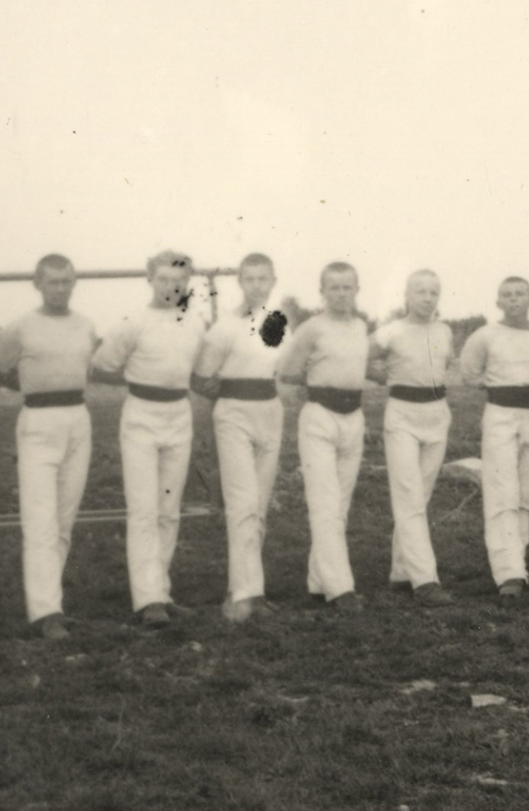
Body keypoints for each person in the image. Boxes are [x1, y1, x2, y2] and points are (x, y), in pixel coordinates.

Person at [0, 254, 100, 639]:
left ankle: (53, 602)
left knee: (64, 518)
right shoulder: (21, 327)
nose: (60, 289)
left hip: (77, 419)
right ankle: (46, 612)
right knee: (40, 520)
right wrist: (30, 385)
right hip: (38, 421)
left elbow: (89, 368)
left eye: (66, 281)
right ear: (37, 283)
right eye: (52, 282)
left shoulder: (85, 325)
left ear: (74, 282)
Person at [89, 251, 209, 627]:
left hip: (179, 415)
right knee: (143, 509)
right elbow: (101, 366)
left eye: (180, 281)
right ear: (149, 280)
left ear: (188, 283)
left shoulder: (196, 323)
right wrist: (138, 384)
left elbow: (197, 370)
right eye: (163, 279)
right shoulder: (133, 323)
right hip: (141, 415)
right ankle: (147, 599)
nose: (172, 286)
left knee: (169, 509)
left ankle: (161, 590)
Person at [190, 254, 288, 622]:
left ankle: (246, 588)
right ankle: (243, 595)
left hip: (269, 413)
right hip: (233, 415)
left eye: (263, 279)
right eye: (249, 279)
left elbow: (279, 369)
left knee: (258, 505)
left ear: (273, 281)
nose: (257, 286)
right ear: (240, 283)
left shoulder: (279, 322)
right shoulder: (224, 327)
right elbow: (201, 376)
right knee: (243, 503)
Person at [274, 262, 374, 610]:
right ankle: (340, 588)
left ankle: (318, 581)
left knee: (340, 505)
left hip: (353, 418)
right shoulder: (312, 328)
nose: (341, 293)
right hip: (320, 417)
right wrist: (319, 381)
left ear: (357, 289)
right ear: (322, 292)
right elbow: (286, 371)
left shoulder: (361, 327)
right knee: (325, 504)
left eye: (347, 287)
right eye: (333, 287)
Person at [455, 276, 529, 595]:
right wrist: (503, 387)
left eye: (520, 295)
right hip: (501, 414)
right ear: (498, 302)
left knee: (526, 493)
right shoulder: (486, 335)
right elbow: (470, 374)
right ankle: (507, 573)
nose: (514, 300)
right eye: (507, 295)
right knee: (503, 491)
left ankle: (520, 566)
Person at [369, 270, 456, 604]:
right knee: (408, 495)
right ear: (406, 295)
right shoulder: (391, 331)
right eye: (420, 291)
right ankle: (425, 581)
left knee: (420, 497)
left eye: (434, 292)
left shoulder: (444, 331)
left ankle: (401, 571)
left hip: (437, 415)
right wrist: (379, 376)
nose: (427, 298)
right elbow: (360, 356)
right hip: (402, 415)